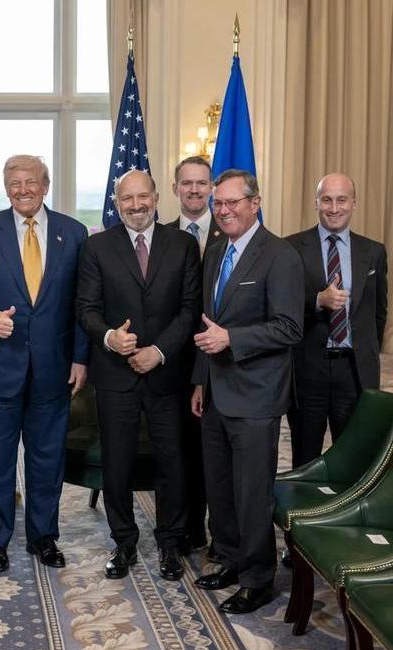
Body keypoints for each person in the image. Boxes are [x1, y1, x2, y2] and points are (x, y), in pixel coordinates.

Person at [0, 154, 89, 573]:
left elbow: (83, 303)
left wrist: (81, 358)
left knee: (47, 458)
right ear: (5, 187)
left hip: (54, 367)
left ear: (45, 185)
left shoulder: (74, 232)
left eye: (30, 182)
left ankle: (43, 538)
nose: (23, 190)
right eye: (14, 183)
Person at [76, 170, 201, 580]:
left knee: (173, 462)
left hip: (167, 375)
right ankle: (124, 543)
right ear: (116, 202)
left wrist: (159, 351)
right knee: (117, 463)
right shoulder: (96, 247)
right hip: (115, 375)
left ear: (156, 197)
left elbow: (189, 309)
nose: (136, 205)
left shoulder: (183, 245)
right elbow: (86, 309)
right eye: (127, 198)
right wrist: (111, 337)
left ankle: (170, 544)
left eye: (143, 196)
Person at [190, 169, 303, 614]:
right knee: (220, 488)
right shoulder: (216, 251)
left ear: (255, 203)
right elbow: (206, 322)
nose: (224, 210)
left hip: (257, 395)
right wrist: (200, 378)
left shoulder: (280, 256)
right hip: (215, 391)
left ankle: (259, 579)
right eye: (219, 203)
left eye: (233, 202)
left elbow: (289, 327)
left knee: (253, 490)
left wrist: (233, 340)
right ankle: (233, 560)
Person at [285, 173, 388, 468]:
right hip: (308, 370)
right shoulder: (290, 248)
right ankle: (305, 513)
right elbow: (283, 309)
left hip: (354, 372)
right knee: (305, 457)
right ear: (316, 202)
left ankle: (345, 513)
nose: (334, 208)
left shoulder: (374, 252)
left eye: (341, 200)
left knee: (353, 457)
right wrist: (318, 301)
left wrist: (366, 353)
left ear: (353, 204)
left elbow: (379, 312)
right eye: (327, 200)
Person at [165, 155, 223, 553]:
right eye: (187, 184)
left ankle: (223, 533)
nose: (194, 190)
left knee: (217, 454)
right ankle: (188, 528)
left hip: (223, 363)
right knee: (182, 450)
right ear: (175, 189)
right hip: (175, 362)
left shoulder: (234, 232)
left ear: (212, 188)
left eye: (202, 183)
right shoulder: (163, 236)